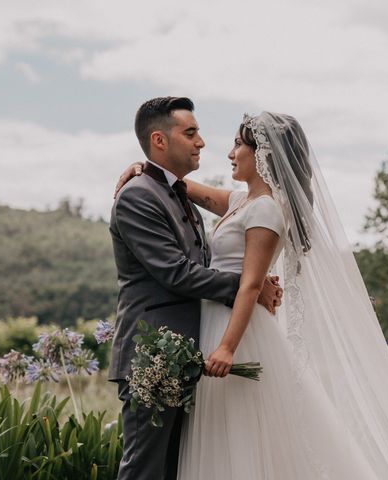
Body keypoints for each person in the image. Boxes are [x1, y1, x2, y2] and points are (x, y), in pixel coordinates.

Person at [115, 110, 388, 479]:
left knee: (240, 435)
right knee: (221, 434)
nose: (229, 152)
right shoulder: (242, 201)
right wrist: (143, 168)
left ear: (263, 155)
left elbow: (251, 284)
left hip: (236, 332)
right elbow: (184, 188)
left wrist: (226, 348)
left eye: (239, 144)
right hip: (214, 323)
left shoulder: (267, 208)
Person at [108, 97, 283, 480]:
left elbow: (202, 241)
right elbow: (177, 274)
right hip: (151, 354)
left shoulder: (177, 192)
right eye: (190, 133)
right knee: (145, 470)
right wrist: (246, 286)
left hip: (188, 354)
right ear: (159, 140)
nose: (202, 142)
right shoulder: (139, 195)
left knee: (175, 469)